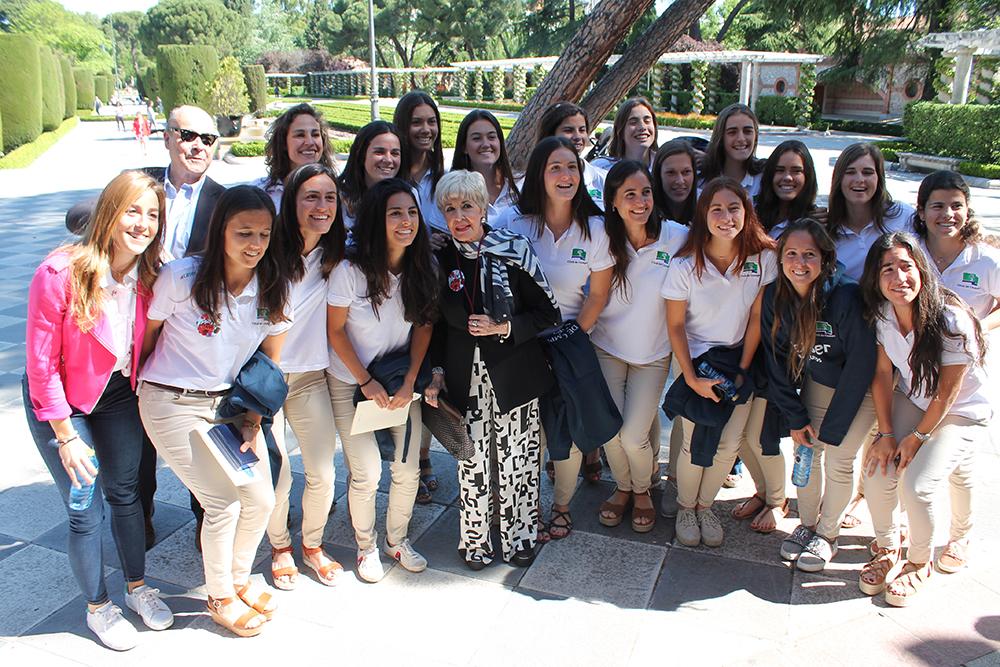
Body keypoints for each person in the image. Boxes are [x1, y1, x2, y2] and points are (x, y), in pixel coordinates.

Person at [63, 105, 227, 548]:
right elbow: (94, 222)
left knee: (197, 435)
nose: (197, 145)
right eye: (189, 135)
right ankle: (140, 517)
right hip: (132, 330)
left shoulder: (224, 199)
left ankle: (204, 519)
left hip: (192, 338)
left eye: (208, 139)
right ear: (168, 136)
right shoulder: (138, 181)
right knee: (136, 439)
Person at [24, 171, 174, 651]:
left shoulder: (152, 275)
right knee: (84, 504)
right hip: (62, 403)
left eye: (152, 214)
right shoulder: (60, 272)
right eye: (132, 210)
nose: (142, 223)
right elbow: (40, 364)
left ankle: (137, 587)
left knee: (126, 494)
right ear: (110, 212)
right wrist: (65, 436)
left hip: (115, 395)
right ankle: (98, 607)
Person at [138, 186, 290, 637]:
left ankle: (239, 580)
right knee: (220, 502)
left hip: (227, 407)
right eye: (244, 232)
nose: (255, 244)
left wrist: (253, 419)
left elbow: (269, 361)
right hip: (170, 401)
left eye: (264, 234)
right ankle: (219, 594)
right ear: (220, 229)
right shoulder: (182, 278)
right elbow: (147, 339)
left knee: (262, 498)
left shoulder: (272, 283)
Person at [426, 169, 561, 569]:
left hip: (515, 373)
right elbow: (433, 325)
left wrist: (504, 326)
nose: (459, 216)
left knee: (519, 459)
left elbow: (548, 313)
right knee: (472, 462)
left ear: (484, 208)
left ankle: (521, 536)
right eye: (450, 209)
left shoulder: (514, 249)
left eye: (467, 206)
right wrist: (435, 373)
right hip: (465, 378)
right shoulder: (442, 258)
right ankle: (476, 541)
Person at [858, 232, 990, 607]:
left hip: (960, 410)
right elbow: (883, 375)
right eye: (888, 269)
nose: (899, 277)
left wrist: (914, 438)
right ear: (875, 278)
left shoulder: (951, 318)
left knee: (917, 485)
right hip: (916, 398)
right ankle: (888, 547)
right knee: (877, 468)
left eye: (906, 266)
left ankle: (919, 561)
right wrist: (885, 433)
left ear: (923, 270)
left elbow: (948, 394)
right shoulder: (883, 314)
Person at [500, 136, 613, 540]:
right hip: (520, 345)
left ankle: (562, 507)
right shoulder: (512, 222)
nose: (566, 176)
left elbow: (598, 295)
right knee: (529, 434)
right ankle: (523, 507)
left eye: (572, 167)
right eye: (555, 168)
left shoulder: (595, 229)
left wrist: (569, 335)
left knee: (566, 430)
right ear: (539, 175)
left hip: (569, 341)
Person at [326, 178, 438, 583]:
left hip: (395, 381)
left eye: (411, 212)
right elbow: (335, 331)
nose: (406, 221)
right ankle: (365, 545)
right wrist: (364, 381)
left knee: (407, 468)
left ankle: (397, 539)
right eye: (395, 213)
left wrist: (410, 379)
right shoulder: (350, 271)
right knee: (368, 472)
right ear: (377, 219)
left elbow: (424, 325)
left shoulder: (421, 265)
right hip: (350, 383)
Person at [661, 177, 777, 548]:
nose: (726, 217)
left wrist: (743, 368)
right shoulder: (684, 265)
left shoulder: (764, 258)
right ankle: (685, 507)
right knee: (694, 442)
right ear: (703, 215)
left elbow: (758, 318)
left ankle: (705, 506)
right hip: (696, 361)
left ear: (747, 212)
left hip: (739, 360)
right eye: (716, 209)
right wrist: (692, 377)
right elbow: (675, 325)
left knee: (728, 444)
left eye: (734, 208)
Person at [761, 219, 878, 572]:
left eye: (809, 254)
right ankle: (808, 524)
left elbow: (861, 364)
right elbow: (775, 360)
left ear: (826, 259)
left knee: (839, 458)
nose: (800, 262)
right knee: (806, 451)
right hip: (820, 380)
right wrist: (797, 418)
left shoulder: (845, 296)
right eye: (792, 254)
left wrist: (834, 428)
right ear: (780, 259)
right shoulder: (774, 295)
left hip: (860, 389)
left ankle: (827, 535)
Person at [592, 161, 688, 533]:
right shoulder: (601, 234)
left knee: (634, 435)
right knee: (610, 431)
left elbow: (721, 240)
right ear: (613, 201)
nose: (639, 201)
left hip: (653, 355)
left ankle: (642, 488)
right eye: (629, 194)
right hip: (607, 347)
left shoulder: (675, 235)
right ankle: (626, 488)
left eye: (645, 192)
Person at [266, 163, 347, 591]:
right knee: (277, 480)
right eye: (311, 197)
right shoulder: (268, 254)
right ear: (291, 203)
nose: (321, 206)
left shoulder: (336, 257)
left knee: (323, 473)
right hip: (267, 382)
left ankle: (312, 545)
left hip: (311, 379)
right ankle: (280, 546)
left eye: (329, 198)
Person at [912, 170, 1000, 334]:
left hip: (967, 354)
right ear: (922, 212)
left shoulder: (987, 259)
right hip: (913, 353)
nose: (948, 214)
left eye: (956, 206)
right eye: (938, 206)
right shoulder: (909, 254)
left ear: (967, 212)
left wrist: (980, 327)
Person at [826, 143, 915, 281]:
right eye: (850, 172)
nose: (859, 180)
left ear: (879, 178)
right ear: (839, 179)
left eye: (867, 172)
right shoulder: (826, 230)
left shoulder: (904, 216)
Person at [254, 103, 337, 209]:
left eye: (315, 134)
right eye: (300, 135)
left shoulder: (337, 194)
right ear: (283, 143)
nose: (310, 142)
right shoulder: (261, 193)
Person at [535, 101, 608, 210]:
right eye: (568, 130)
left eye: (582, 130)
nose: (578, 136)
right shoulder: (531, 181)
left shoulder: (604, 179)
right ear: (550, 134)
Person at [451, 109, 520, 222]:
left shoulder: (520, 186)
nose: (486, 144)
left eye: (491, 137)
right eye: (477, 138)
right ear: (464, 147)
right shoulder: (450, 190)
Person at [394, 91, 447, 231]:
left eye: (431, 122)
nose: (426, 129)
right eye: (416, 122)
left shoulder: (445, 177)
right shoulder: (390, 176)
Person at [337, 121, 403, 230]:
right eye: (379, 152)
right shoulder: (339, 198)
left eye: (395, 153)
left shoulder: (410, 195)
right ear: (361, 155)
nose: (388, 160)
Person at [755, 140, 824, 238]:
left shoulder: (816, 224)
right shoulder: (754, 216)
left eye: (796, 171)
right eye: (780, 170)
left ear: (807, 176)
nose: (787, 177)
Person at [698, 104, 765, 198]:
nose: (741, 139)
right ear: (721, 137)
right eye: (732, 132)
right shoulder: (700, 179)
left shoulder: (764, 178)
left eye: (747, 131)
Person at [592, 97, 659, 172]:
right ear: (620, 131)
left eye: (647, 121)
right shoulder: (600, 168)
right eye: (633, 122)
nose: (642, 127)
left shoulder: (665, 166)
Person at [652, 139, 699, 226]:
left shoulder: (706, 208)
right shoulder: (646, 214)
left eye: (686, 172)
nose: (680, 181)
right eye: (671, 173)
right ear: (658, 175)